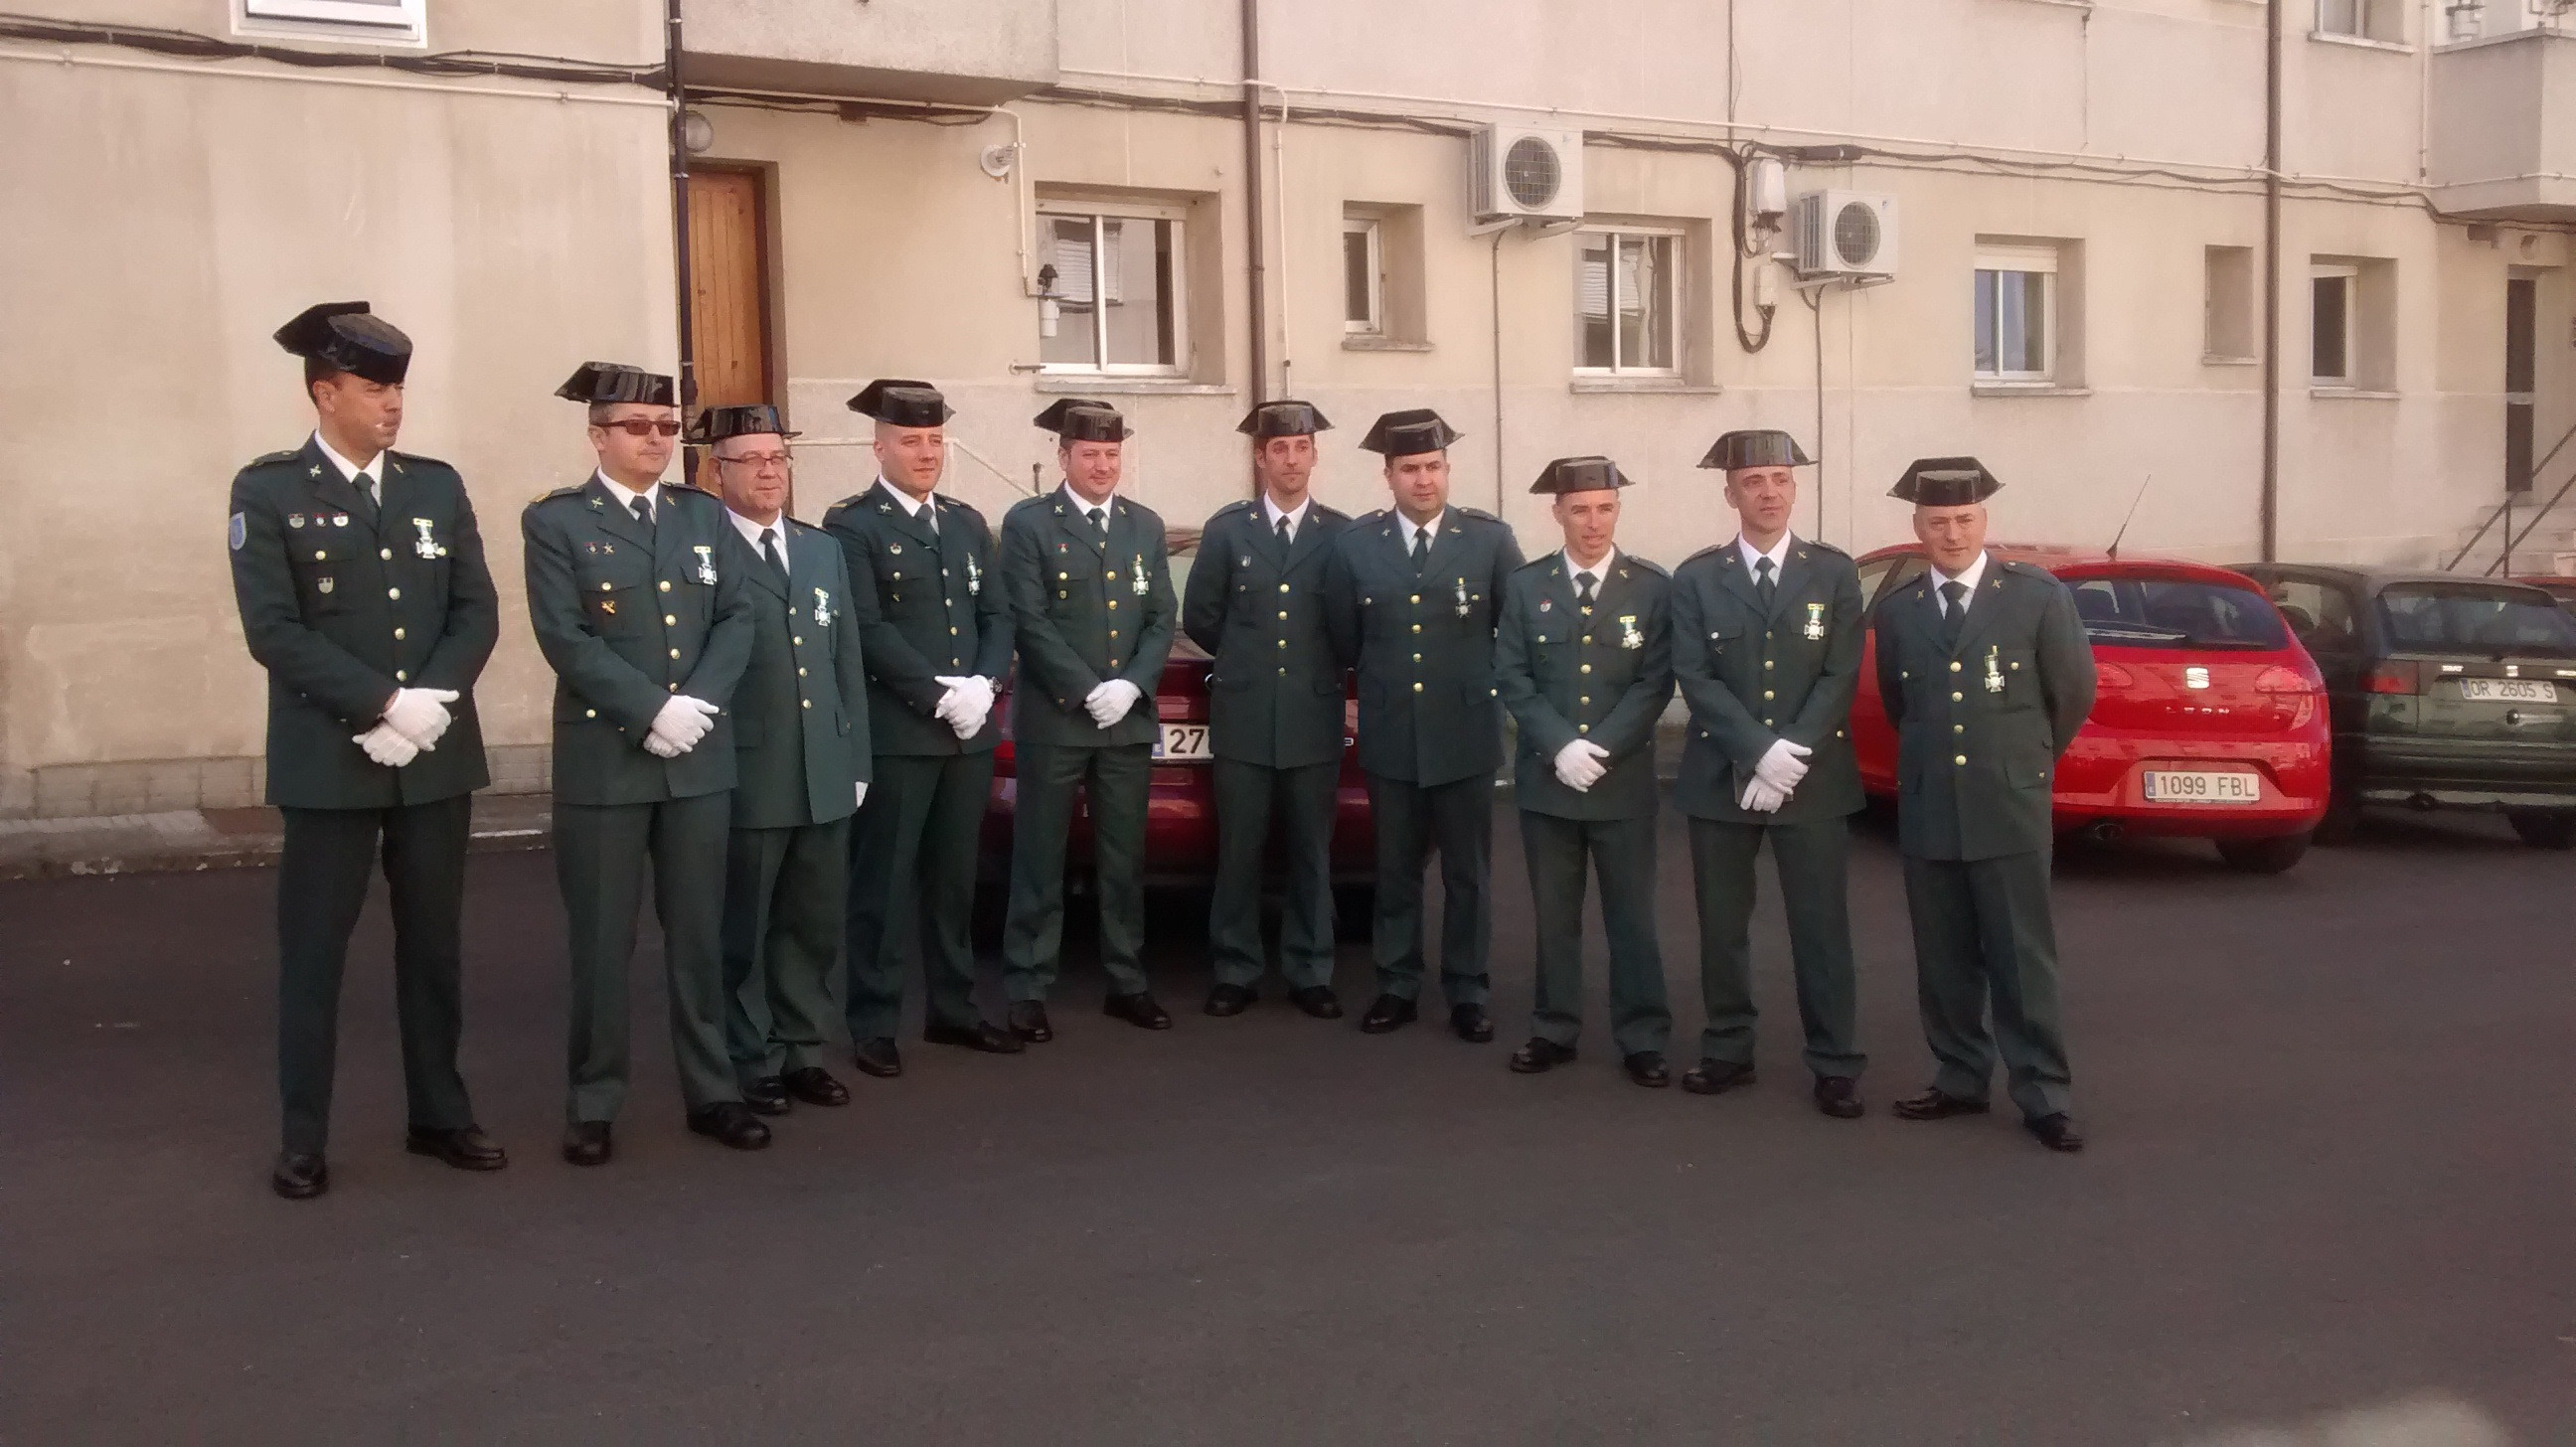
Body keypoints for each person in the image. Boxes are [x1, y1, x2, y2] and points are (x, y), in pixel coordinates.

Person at [230, 302, 504, 1200]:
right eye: (376, 388)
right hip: (329, 756)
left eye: (399, 389)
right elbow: (273, 629)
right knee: (315, 952)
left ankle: (440, 1114)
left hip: (433, 755)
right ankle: (303, 1135)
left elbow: (476, 610)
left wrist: (429, 704)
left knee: (434, 950)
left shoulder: (434, 485)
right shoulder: (267, 491)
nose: (393, 405)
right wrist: (380, 701)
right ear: (325, 391)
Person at [523, 362, 761, 1164]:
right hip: (608, 765)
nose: (656, 439)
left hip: (697, 757)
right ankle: (594, 1101)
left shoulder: (703, 517)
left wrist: (695, 705)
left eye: (665, 427)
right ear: (599, 435)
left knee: (698, 936)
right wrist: (649, 708)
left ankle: (714, 1091)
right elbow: (564, 636)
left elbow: (737, 617)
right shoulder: (556, 523)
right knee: (602, 943)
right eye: (637, 427)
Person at [1872, 457, 2096, 1153]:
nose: (1952, 534)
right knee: (1943, 957)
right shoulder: (1900, 610)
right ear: (1917, 527)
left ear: (1984, 522)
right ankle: (1960, 1075)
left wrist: (2022, 764)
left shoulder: (2034, 596)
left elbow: (2072, 693)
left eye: (1964, 520)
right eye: (1937, 522)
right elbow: (1899, 702)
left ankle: (2044, 1094)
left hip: (2007, 804)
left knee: (2021, 956)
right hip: (1932, 804)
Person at [1668, 429, 1870, 1117]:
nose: (1769, 492)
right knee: (1723, 926)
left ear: (1795, 488)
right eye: (1753, 481)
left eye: (1780, 479)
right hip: (1720, 776)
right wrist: (1757, 751)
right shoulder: (1697, 577)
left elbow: (1840, 672)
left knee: (1821, 928)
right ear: (1730, 493)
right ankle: (1727, 1048)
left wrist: (1790, 756)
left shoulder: (1834, 573)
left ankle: (1836, 1062)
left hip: (1812, 779)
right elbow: (1693, 674)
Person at [826, 380, 1022, 1077]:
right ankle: (874, 1021)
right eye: (911, 441)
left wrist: (985, 684)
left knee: (954, 881)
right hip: (903, 733)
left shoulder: (967, 523)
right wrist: (937, 696)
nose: (926, 452)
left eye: (935, 440)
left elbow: (997, 615)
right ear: (879, 447)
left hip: (968, 733)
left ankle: (954, 1010)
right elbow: (865, 627)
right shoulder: (853, 525)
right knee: (881, 883)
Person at [1323, 408, 1524, 1042]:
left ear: (1447, 470)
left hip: (1464, 732)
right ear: (1388, 476)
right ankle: (1396, 984)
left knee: (1468, 873)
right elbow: (1345, 638)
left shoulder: (1489, 540)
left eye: (1433, 466)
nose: (1423, 480)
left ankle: (1467, 990)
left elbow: (1514, 631)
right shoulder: (1356, 545)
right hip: (1392, 733)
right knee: (1396, 871)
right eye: (1409, 469)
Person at [698, 404, 869, 1120]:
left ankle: (803, 1050)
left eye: (778, 458)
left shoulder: (820, 549)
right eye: (752, 459)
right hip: (750, 767)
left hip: (824, 766)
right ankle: (752, 1055)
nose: (770, 471)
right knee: (745, 925)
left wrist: (854, 754)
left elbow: (845, 658)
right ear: (718, 470)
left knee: (812, 921)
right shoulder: (703, 551)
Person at [995, 400, 1179, 1040]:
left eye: (1111, 454)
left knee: (1123, 858)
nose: (1102, 466)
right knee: (1039, 856)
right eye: (1089, 454)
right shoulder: (1029, 524)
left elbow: (1161, 616)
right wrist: (1084, 688)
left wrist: (1130, 685)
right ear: (1063, 457)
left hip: (1125, 722)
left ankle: (1126, 981)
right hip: (1056, 719)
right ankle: (1026, 985)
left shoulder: (1143, 526)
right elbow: (1028, 618)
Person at [1491, 457, 1676, 1085]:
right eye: (1580, 510)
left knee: (1632, 918)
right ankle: (1553, 1027)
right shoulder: (1524, 586)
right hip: (1549, 783)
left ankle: (1643, 1036)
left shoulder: (1650, 587)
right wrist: (1557, 746)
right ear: (1557, 513)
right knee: (1554, 915)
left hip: (1622, 783)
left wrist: (1602, 749)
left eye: (1605, 508)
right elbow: (1512, 676)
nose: (1593, 523)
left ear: (1616, 510)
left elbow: (1656, 681)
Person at [1183, 400, 1354, 1021]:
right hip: (1245, 714)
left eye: (1301, 447)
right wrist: (1246, 660)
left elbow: (1349, 625)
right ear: (1260, 457)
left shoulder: (1341, 534)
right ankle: (1235, 968)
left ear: (1314, 454)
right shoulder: (1229, 531)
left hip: (1313, 716)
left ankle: (1311, 969)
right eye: (1278, 449)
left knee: (1312, 851)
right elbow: (1202, 616)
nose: (1290, 458)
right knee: (1240, 851)